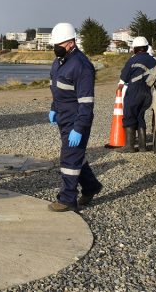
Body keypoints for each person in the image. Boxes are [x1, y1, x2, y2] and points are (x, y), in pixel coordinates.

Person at [47, 23, 103, 212]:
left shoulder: (81, 66)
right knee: (76, 155)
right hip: (63, 118)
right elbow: (57, 90)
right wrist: (54, 108)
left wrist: (79, 128)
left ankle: (67, 198)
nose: (56, 47)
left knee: (69, 159)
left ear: (71, 43)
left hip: (76, 120)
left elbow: (86, 103)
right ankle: (91, 187)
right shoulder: (58, 63)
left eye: (59, 43)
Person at [117, 36, 156, 153]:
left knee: (129, 115)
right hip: (148, 92)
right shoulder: (154, 60)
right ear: (146, 47)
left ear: (135, 48)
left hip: (134, 91)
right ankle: (142, 147)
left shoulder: (133, 60)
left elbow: (124, 77)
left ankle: (129, 146)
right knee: (140, 116)